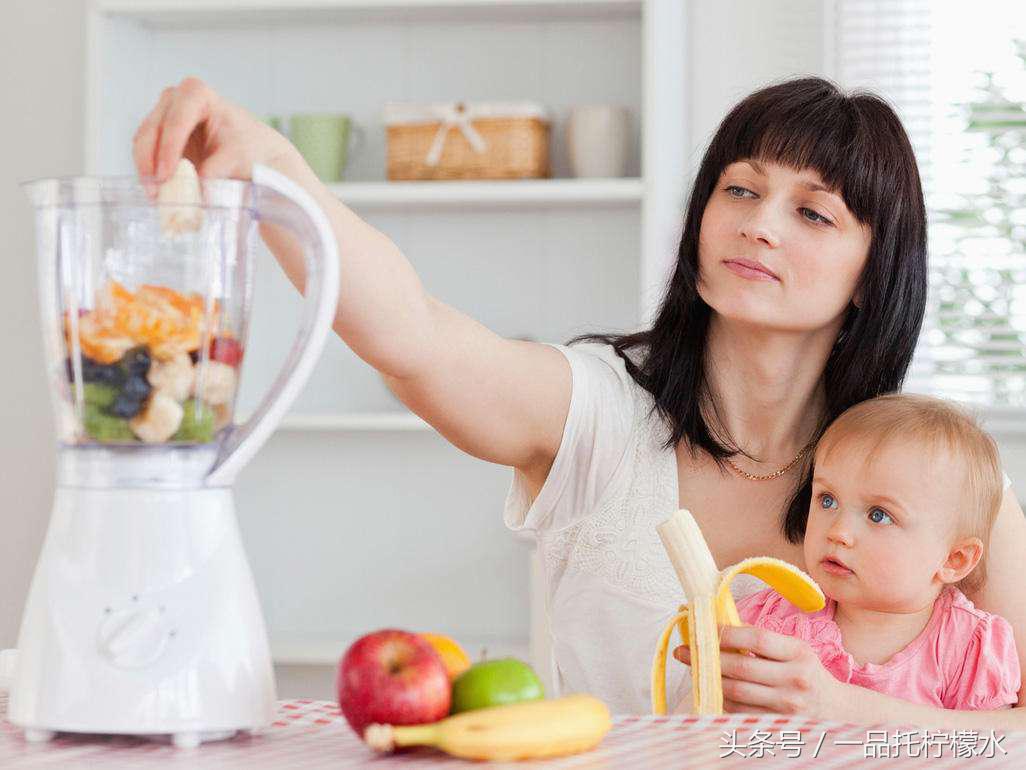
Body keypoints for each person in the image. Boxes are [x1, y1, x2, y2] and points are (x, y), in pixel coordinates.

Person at [133, 75, 1026, 725]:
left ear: (877, 272)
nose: (759, 222)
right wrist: (277, 170)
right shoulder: (597, 413)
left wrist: (842, 711)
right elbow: (410, 333)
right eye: (741, 189)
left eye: (813, 212)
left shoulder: (933, 480)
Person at [689, 394, 1020, 712]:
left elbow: (992, 752)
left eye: (879, 515)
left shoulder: (969, 648)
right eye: (827, 500)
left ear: (954, 559)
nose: (838, 532)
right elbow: (705, 725)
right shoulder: (770, 622)